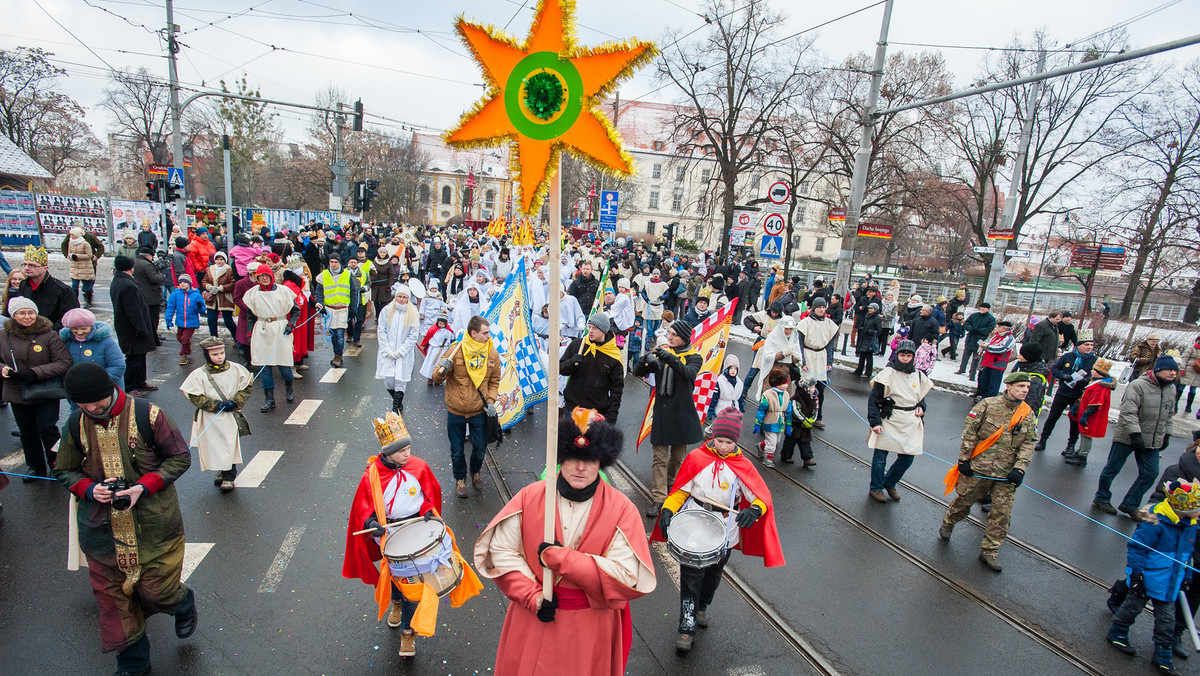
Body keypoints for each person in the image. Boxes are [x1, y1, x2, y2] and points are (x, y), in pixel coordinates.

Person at [475, 408, 656, 674]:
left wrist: (565, 561)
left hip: (590, 630)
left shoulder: (622, 510)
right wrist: (532, 596)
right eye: (572, 458)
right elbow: (501, 551)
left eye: (590, 459)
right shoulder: (531, 496)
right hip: (535, 618)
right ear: (560, 458)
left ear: (601, 462)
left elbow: (628, 575)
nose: (581, 467)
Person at [52, 362, 196, 675]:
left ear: (110, 390)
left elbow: (180, 457)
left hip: (155, 527)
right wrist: (91, 490)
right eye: (84, 404)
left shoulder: (149, 414)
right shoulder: (76, 423)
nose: (92, 408)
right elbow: (63, 470)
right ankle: (134, 664)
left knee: (156, 591)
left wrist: (143, 487)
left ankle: (182, 602)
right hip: (100, 532)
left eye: (98, 402)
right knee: (113, 602)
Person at [343, 410, 483, 658]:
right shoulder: (371, 475)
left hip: (416, 530)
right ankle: (395, 601)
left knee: (413, 586)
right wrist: (371, 521)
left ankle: (408, 634)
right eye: (402, 450)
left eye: (408, 448)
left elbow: (429, 497)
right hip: (389, 533)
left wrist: (429, 510)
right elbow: (363, 507)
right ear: (388, 452)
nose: (408, 454)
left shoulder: (418, 467)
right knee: (398, 578)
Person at [652, 406, 784, 653]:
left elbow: (760, 496)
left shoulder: (741, 465)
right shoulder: (696, 459)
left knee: (713, 575)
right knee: (691, 578)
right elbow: (681, 490)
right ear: (712, 437)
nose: (723, 446)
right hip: (693, 525)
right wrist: (668, 509)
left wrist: (754, 510)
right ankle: (686, 627)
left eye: (729, 442)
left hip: (724, 529)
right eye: (719, 440)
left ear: (736, 442)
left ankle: (703, 605)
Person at [939, 371, 1038, 572]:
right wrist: (964, 459)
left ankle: (990, 551)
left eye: (1027, 387)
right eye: (1021, 386)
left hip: (1006, 474)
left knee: (1002, 514)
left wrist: (1020, 469)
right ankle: (949, 522)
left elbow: (1029, 443)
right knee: (963, 502)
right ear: (1008, 387)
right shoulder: (987, 405)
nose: (1025, 391)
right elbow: (970, 432)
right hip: (979, 468)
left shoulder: (1027, 414)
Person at [1104, 479, 1199, 675]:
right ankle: (1118, 631)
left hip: (1170, 583)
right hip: (1148, 578)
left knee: (1167, 619)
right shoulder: (1155, 523)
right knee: (1132, 607)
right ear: (1182, 508)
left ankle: (1163, 653)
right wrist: (1136, 575)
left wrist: (1187, 576)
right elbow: (1137, 549)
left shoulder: (1190, 526)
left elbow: (1187, 556)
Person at [633, 320, 705, 517]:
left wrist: (669, 358)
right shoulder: (665, 354)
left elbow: (688, 373)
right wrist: (646, 359)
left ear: (684, 338)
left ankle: (671, 485)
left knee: (677, 458)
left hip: (682, 415)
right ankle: (659, 498)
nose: (669, 337)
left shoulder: (694, 357)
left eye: (673, 334)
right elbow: (638, 372)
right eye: (669, 333)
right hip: (663, 413)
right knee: (659, 458)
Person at [1093, 355, 1179, 520]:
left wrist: (1167, 433)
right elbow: (1128, 411)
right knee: (1112, 468)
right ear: (1159, 369)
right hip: (1128, 436)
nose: (1173, 373)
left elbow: (1169, 414)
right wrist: (1135, 433)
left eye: (1175, 370)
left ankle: (1130, 504)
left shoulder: (1171, 389)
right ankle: (1101, 498)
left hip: (1152, 439)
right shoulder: (1138, 385)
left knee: (1151, 473)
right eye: (1170, 370)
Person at [0, 297, 73, 480]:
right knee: (27, 431)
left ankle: (58, 466)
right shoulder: (3, 335)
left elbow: (64, 362)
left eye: (30, 312)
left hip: (45, 390)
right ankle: (35, 467)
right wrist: (3, 369)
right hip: (17, 389)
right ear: (13, 315)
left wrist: (36, 373)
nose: (27, 316)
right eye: (22, 313)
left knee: (48, 428)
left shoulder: (49, 334)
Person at [432, 315, 500, 498]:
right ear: (474, 333)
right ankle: (460, 479)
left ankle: (475, 472)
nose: (488, 336)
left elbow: (494, 381)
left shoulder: (492, 353)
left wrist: (491, 401)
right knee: (457, 450)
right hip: (456, 411)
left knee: (480, 447)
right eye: (485, 333)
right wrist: (443, 369)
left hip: (479, 411)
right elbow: (436, 378)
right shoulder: (456, 350)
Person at [180, 337, 253, 492]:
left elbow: (247, 386)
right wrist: (215, 405)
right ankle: (221, 469)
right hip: (209, 416)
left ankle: (229, 476)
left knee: (228, 444)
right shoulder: (198, 374)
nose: (220, 357)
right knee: (214, 445)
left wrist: (235, 402)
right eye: (215, 354)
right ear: (207, 355)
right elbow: (193, 395)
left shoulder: (236, 369)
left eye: (221, 353)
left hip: (228, 416)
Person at [866, 340, 932, 503]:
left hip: (910, 420)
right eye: (902, 355)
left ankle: (889, 482)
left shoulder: (918, 375)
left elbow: (921, 396)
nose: (905, 359)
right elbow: (873, 400)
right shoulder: (887, 374)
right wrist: (875, 422)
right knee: (881, 455)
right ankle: (876, 488)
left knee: (908, 456)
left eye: (908, 356)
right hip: (890, 418)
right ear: (897, 355)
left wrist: (921, 407)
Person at [242, 263, 300, 412]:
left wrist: (291, 325)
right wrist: (249, 333)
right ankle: (269, 398)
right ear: (258, 278)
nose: (264, 279)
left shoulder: (283, 291)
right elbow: (249, 316)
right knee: (264, 367)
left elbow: (295, 310)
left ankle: (289, 387)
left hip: (280, 328)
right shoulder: (253, 293)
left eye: (267, 276)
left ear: (271, 276)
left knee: (284, 365)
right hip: (262, 328)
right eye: (261, 276)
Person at [561, 312, 625, 423]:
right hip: (572, 409)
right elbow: (561, 369)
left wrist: (611, 418)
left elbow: (616, 390)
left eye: (594, 328)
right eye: (589, 327)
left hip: (596, 413)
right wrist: (572, 363)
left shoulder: (613, 356)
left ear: (604, 330)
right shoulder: (577, 345)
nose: (590, 331)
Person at [59, 308, 125, 411]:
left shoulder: (106, 342)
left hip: (104, 391)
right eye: (75, 329)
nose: (79, 332)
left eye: (84, 328)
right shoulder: (65, 342)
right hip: (78, 392)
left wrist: (94, 383)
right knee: (79, 418)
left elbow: (118, 366)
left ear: (91, 326)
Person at [376, 283, 421, 413]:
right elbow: (381, 330)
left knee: (401, 380)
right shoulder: (387, 310)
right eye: (399, 296)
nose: (401, 299)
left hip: (404, 354)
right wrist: (387, 349)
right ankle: (397, 402)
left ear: (408, 298)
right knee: (389, 381)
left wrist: (401, 351)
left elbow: (413, 335)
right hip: (388, 352)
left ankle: (396, 409)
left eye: (404, 297)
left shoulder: (412, 313)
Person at [1063, 358, 1116, 467]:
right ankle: (1080, 452)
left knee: (1087, 435)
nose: (1091, 371)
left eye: (1094, 370)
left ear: (1100, 373)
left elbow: (1096, 403)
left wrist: (1086, 415)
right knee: (1083, 434)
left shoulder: (1101, 386)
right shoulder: (1095, 382)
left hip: (1091, 416)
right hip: (1084, 413)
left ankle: (1082, 457)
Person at [797, 297, 838, 427]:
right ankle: (801, 413)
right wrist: (803, 361)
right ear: (814, 308)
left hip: (821, 356)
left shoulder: (829, 324)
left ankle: (817, 416)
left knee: (820, 389)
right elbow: (799, 344)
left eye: (823, 307)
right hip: (808, 355)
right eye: (819, 307)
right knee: (805, 388)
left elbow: (830, 345)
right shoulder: (806, 323)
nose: (821, 309)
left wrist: (829, 361)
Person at [17, 245, 78, 331]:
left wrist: (49, 333)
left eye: (32, 265)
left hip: (50, 336)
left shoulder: (63, 291)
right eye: (25, 264)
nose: (26, 268)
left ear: (45, 268)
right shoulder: (23, 285)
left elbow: (70, 317)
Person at [315, 257, 361, 369]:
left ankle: (338, 356)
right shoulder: (323, 275)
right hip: (329, 308)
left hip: (342, 308)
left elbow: (353, 292)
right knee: (333, 334)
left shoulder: (347, 274)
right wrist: (320, 304)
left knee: (340, 333)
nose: (333, 264)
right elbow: (319, 292)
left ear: (340, 263)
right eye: (331, 262)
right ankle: (336, 352)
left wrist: (353, 308)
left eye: (336, 262)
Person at [164, 274, 206, 366]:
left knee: (184, 339)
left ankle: (183, 354)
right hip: (180, 321)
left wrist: (199, 306)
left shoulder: (196, 295)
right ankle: (187, 347)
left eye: (185, 282)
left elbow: (202, 310)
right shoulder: (175, 294)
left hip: (192, 322)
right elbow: (170, 307)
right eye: (181, 282)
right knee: (179, 338)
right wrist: (168, 318)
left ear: (189, 283)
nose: (182, 284)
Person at [753, 368, 792, 468]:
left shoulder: (786, 395)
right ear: (778, 384)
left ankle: (761, 446)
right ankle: (768, 459)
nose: (787, 385)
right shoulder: (767, 395)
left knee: (776, 441)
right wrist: (758, 423)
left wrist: (788, 424)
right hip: (770, 421)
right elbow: (761, 410)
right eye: (785, 383)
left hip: (780, 422)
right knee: (772, 444)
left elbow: (788, 410)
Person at [782, 376, 819, 467]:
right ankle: (786, 455)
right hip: (795, 424)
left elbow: (816, 410)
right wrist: (803, 420)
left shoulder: (814, 398)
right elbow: (796, 411)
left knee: (806, 441)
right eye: (812, 387)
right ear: (806, 388)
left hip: (805, 426)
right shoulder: (796, 398)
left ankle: (807, 458)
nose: (814, 389)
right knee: (790, 441)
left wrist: (812, 419)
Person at [974, 320, 1016, 401]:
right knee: (984, 382)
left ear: (1005, 329)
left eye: (999, 327)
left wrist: (988, 347)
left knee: (993, 385)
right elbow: (988, 343)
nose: (997, 328)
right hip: (987, 363)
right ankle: (983, 398)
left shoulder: (1010, 338)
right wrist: (984, 347)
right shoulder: (995, 336)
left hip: (998, 365)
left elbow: (1002, 349)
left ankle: (991, 400)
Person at [132, 246, 165, 345]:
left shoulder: (135, 262)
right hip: (151, 296)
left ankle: (148, 338)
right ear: (148, 255)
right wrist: (162, 276)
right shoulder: (147, 265)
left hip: (141, 295)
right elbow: (154, 279)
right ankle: (153, 340)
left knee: (145, 318)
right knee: (153, 319)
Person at [201, 251, 237, 339]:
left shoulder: (229, 270)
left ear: (225, 260)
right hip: (212, 299)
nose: (219, 261)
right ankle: (214, 338)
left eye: (221, 259)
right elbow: (204, 281)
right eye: (217, 259)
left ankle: (237, 338)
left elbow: (233, 283)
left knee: (228, 321)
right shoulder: (210, 269)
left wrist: (221, 288)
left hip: (225, 299)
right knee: (211, 320)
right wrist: (209, 287)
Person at [956, 302, 995, 379]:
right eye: (981, 307)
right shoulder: (974, 315)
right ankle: (962, 369)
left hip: (980, 339)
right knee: (965, 355)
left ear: (988, 309)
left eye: (984, 307)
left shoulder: (991, 319)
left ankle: (972, 373)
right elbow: (967, 323)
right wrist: (970, 328)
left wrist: (979, 330)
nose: (982, 309)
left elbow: (989, 328)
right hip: (970, 337)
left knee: (976, 357)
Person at [65, 227, 99, 308]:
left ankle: (88, 302)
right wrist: (70, 257)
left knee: (87, 286)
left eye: (73, 235)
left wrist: (77, 256)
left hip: (85, 267)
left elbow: (89, 255)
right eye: (71, 235)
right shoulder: (71, 243)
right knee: (74, 285)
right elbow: (69, 253)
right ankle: (74, 302)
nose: (72, 236)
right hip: (75, 267)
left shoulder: (85, 244)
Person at [418, 312, 453, 386]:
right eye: (440, 323)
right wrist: (424, 345)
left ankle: (437, 378)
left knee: (439, 364)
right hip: (434, 349)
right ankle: (429, 377)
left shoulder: (448, 332)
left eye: (443, 324)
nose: (441, 325)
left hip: (443, 350)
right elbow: (428, 338)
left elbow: (451, 340)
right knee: (432, 363)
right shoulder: (433, 330)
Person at [707, 354, 743, 421]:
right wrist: (711, 409)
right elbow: (714, 397)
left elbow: (740, 396)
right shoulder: (720, 381)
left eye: (735, 369)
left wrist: (741, 406)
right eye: (731, 368)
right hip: (721, 409)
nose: (733, 370)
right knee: (719, 426)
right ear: (726, 369)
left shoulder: (739, 382)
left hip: (734, 410)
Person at [852, 302, 883, 378]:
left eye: (871, 308)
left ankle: (868, 373)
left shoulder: (877, 318)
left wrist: (870, 331)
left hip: (870, 339)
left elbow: (879, 330)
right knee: (862, 355)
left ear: (875, 310)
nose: (869, 309)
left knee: (869, 357)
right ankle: (859, 370)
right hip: (864, 337)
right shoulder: (867, 316)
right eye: (869, 308)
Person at [1178, 334, 1200, 416]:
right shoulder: (1191, 348)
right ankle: (1175, 403)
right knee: (1181, 387)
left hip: (1198, 372)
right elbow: (1185, 358)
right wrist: (1182, 369)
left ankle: (1188, 406)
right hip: (1188, 370)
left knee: (1193, 389)